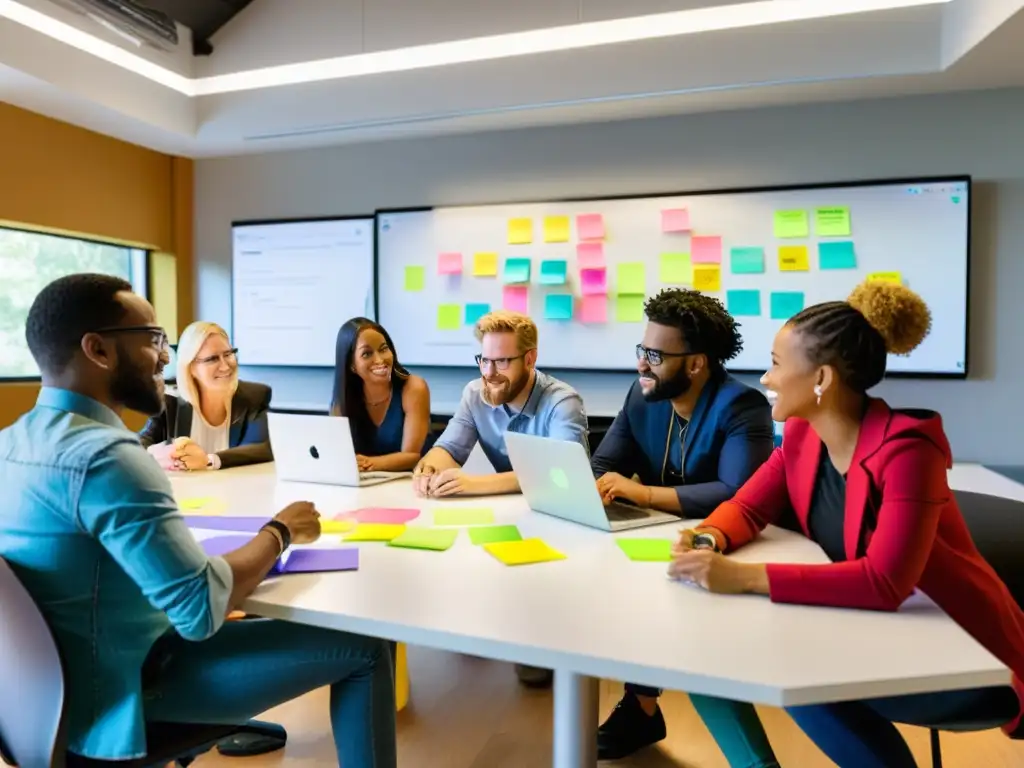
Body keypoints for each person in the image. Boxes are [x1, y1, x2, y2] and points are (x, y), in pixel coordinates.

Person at [0, 274, 397, 767]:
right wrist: (281, 532)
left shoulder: (10, 443)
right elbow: (200, 610)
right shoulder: (108, 457)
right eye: (152, 341)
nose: (166, 358)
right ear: (98, 350)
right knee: (367, 648)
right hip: (125, 698)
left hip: (43, 704)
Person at [667, 279, 1024, 768]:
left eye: (775, 363)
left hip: (966, 655)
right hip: (877, 629)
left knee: (796, 673)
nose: (766, 378)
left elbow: (884, 582)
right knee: (732, 648)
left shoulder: (909, 451)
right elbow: (750, 508)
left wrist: (741, 577)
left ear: (822, 380)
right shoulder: (801, 434)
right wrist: (710, 536)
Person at [590, 288, 776, 762]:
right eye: (641, 351)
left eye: (654, 355)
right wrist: (591, 487)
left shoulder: (743, 406)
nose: (641, 365)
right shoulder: (643, 394)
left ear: (695, 364)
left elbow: (738, 493)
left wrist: (644, 493)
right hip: (658, 537)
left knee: (685, 630)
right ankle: (642, 705)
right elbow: (604, 463)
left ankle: (641, 706)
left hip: (731, 544)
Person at [412, 309, 588, 689]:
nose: (490, 372)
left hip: (561, 518)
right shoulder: (475, 393)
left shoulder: (562, 402)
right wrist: (428, 468)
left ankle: (545, 641)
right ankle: (489, 626)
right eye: (484, 360)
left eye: (502, 361)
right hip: (514, 511)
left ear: (530, 359)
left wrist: (474, 484)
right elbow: (448, 447)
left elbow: (562, 477)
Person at [140, 321, 272, 472]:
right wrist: (159, 454)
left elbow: (261, 448)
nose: (225, 365)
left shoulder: (255, 396)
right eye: (212, 359)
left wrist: (209, 460)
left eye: (228, 354)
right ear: (190, 368)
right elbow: (139, 446)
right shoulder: (169, 403)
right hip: (186, 492)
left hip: (236, 489)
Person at [331, 317, 430, 471]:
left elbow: (412, 456)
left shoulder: (414, 388)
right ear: (352, 365)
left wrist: (369, 464)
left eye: (383, 349)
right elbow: (337, 454)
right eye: (367, 354)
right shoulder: (343, 398)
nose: (380, 360)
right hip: (365, 485)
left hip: (410, 483)